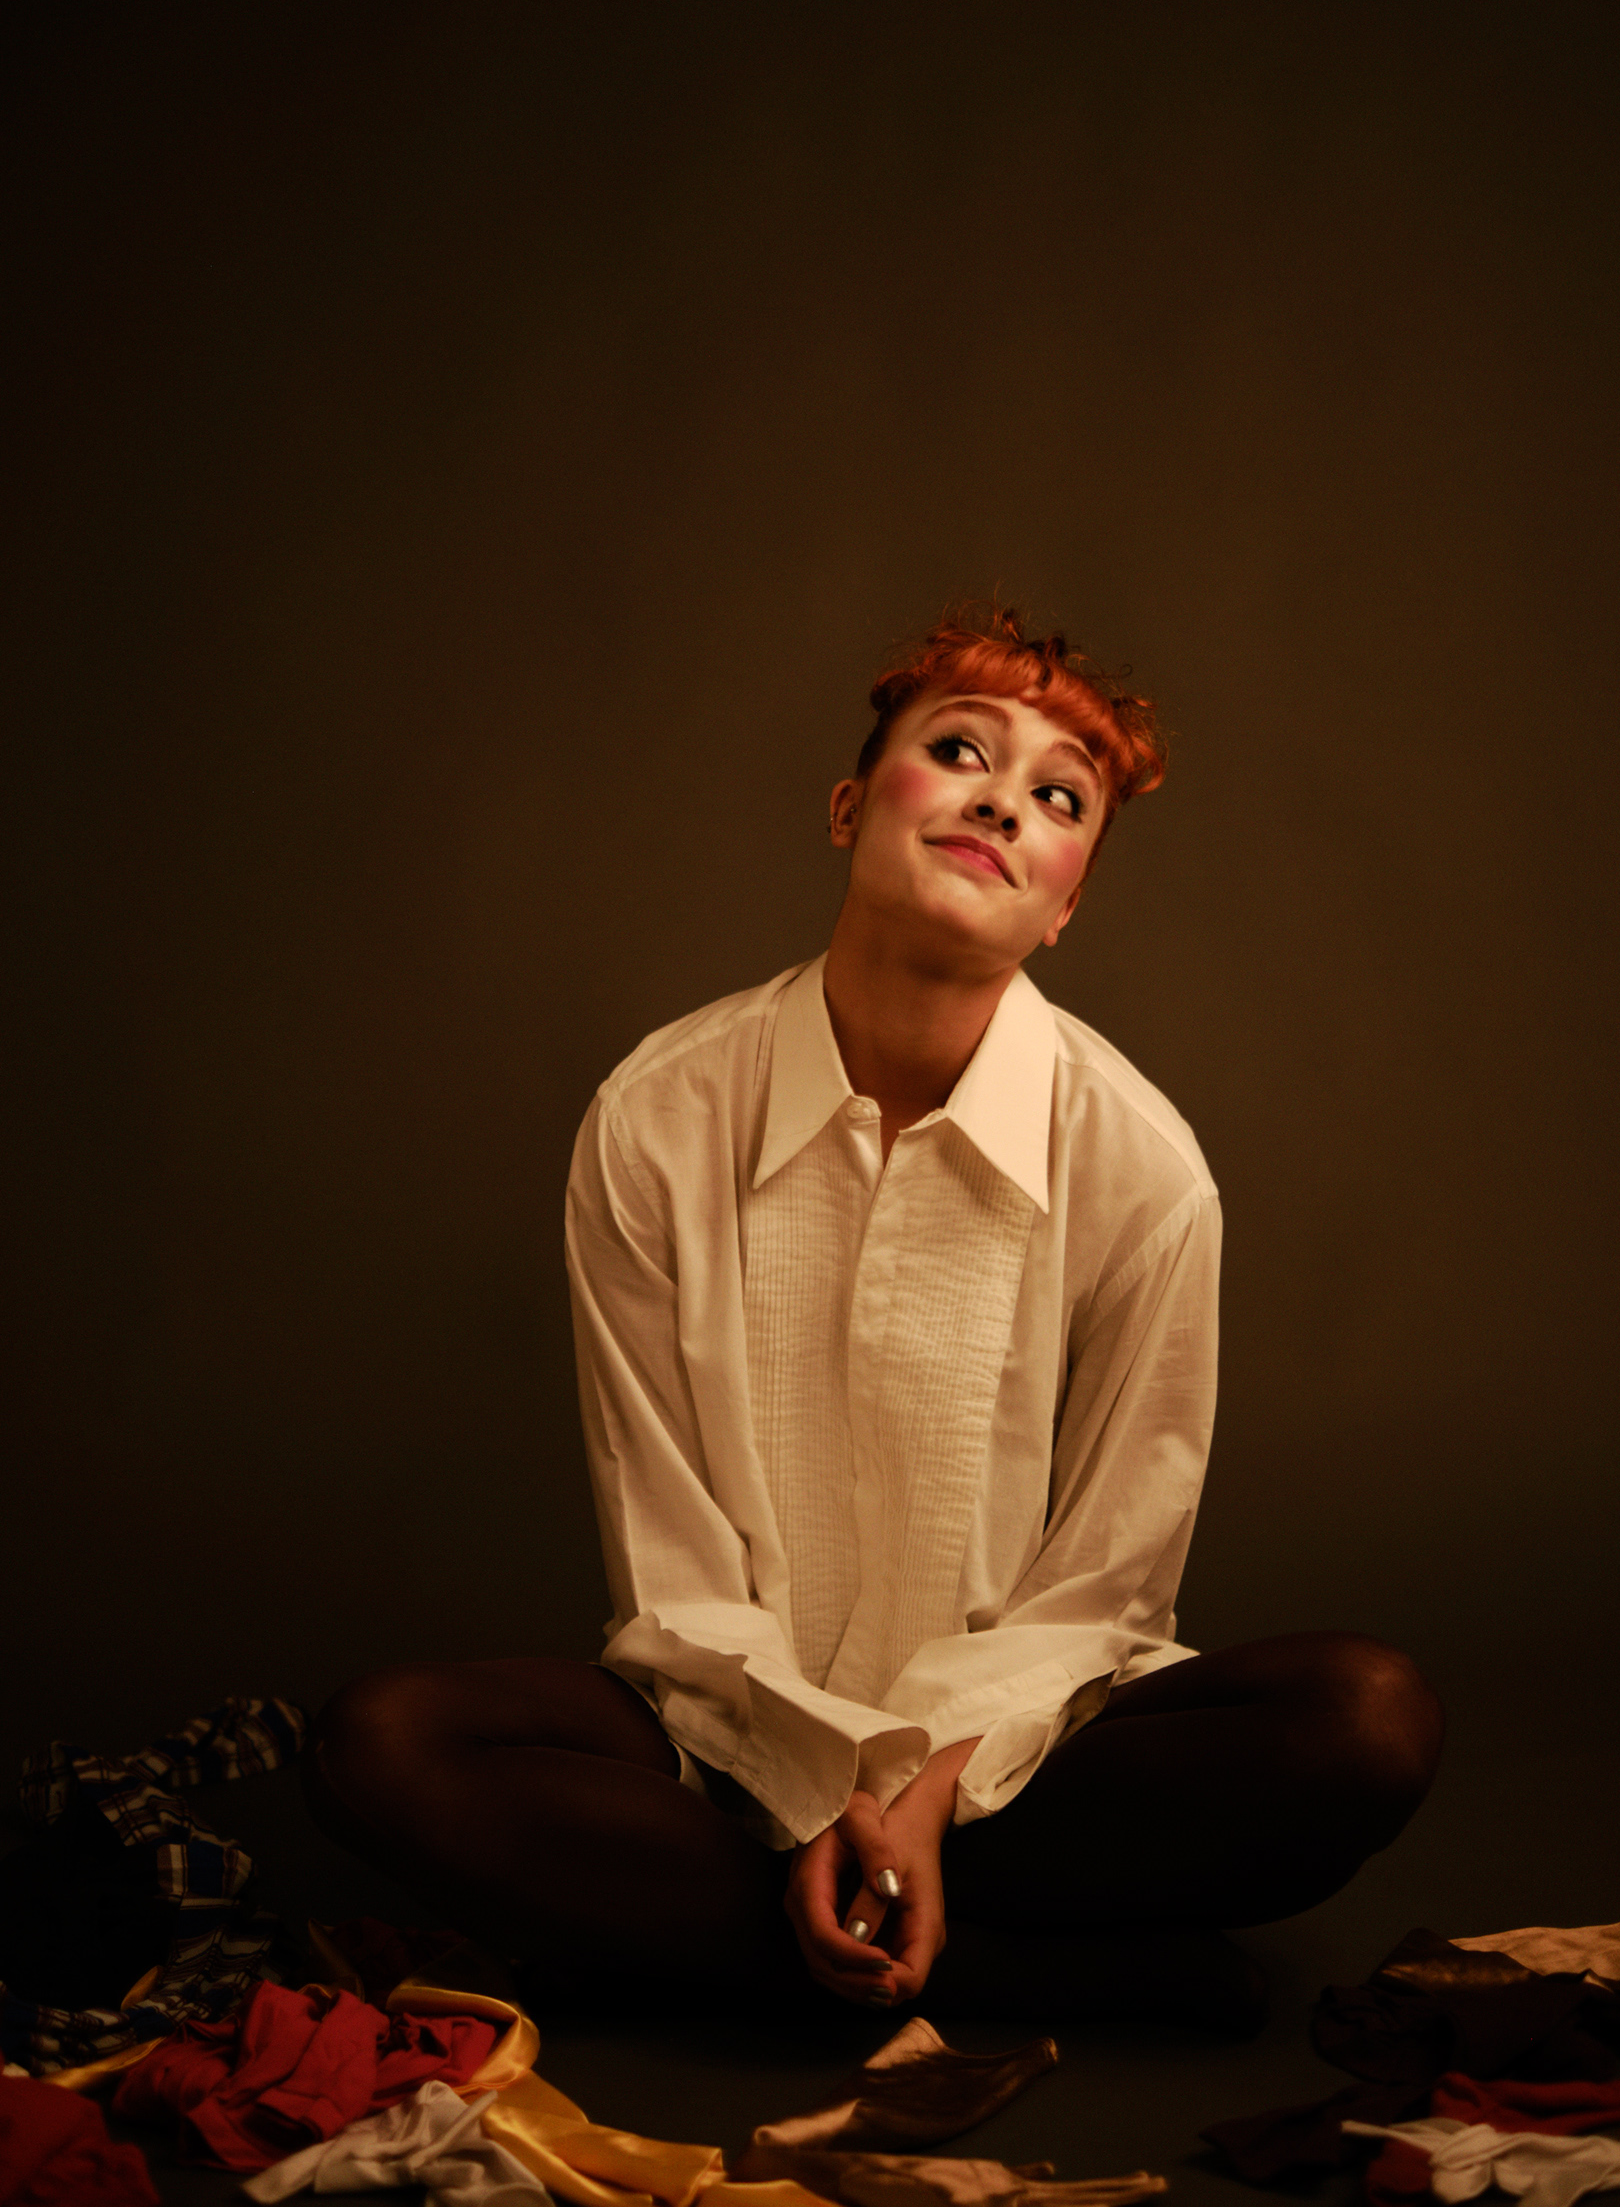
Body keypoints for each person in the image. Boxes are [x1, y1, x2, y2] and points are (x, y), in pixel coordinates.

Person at [303, 607, 1443, 2027]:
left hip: (1013, 1770)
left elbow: (1104, 1589)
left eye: (1059, 798)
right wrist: (815, 1794)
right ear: (849, 807)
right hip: (722, 1749)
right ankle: (1022, 1973)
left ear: (1066, 903)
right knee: (379, 1745)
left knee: (1363, 1718)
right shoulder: (657, 1115)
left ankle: (751, 1947)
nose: (1001, 801)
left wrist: (922, 1794)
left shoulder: (1146, 1171)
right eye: (959, 750)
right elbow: (671, 1567)